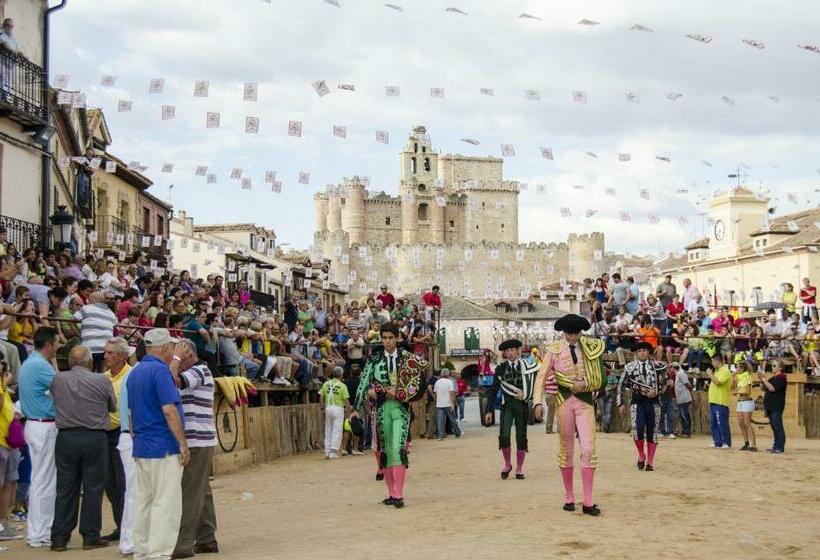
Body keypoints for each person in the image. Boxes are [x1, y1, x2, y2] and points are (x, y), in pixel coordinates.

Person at [126, 329, 190, 560]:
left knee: (143, 502)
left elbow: (131, 413)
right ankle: (159, 554)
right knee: (166, 503)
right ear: (164, 348)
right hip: (163, 446)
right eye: (171, 347)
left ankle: (142, 551)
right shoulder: (160, 371)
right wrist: (182, 443)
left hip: (143, 445)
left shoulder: (135, 372)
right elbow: (169, 410)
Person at [534, 314, 605, 516]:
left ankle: (588, 501)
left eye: (575, 334)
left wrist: (586, 384)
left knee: (588, 449)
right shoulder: (554, 349)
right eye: (569, 334)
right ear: (564, 333)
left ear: (580, 333)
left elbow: (600, 376)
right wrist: (537, 402)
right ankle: (569, 497)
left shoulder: (590, 347)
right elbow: (541, 376)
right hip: (564, 402)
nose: (572, 337)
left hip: (585, 402)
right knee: (566, 450)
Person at [49, 346, 117, 551]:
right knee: (93, 488)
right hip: (94, 437)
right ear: (90, 362)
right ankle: (90, 535)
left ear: (70, 362)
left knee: (65, 488)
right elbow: (112, 406)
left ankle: (59, 538)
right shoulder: (102, 380)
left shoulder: (58, 379)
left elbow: (54, 399)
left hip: (66, 437)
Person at [353, 322, 427, 508]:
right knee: (384, 450)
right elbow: (363, 382)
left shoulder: (407, 357)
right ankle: (392, 493)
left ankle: (399, 494)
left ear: (397, 338)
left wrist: (403, 393)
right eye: (384, 338)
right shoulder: (374, 358)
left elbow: (421, 382)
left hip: (401, 408)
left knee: (397, 449)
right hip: (382, 408)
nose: (387, 341)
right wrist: (355, 407)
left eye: (390, 338)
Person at [170, 339, 219, 558]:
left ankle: (182, 545)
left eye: (180, 357)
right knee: (201, 490)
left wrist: (175, 359)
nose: (176, 362)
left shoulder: (199, 371)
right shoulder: (199, 371)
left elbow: (173, 381)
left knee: (190, 493)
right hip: (200, 440)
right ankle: (207, 538)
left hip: (197, 441)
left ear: (189, 355)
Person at [18, 326, 60, 547]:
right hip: (43, 425)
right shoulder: (40, 365)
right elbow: (62, 386)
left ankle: (40, 531)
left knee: (41, 479)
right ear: (48, 344)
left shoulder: (31, 362)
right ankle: (39, 532)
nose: (58, 346)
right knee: (44, 480)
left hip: (36, 424)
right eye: (56, 342)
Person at [484, 339, 536, 479]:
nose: (510, 353)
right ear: (505, 354)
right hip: (507, 405)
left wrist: (527, 395)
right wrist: (488, 410)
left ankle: (519, 468)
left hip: (522, 405)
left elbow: (534, 384)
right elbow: (493, 390)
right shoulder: (501, 368)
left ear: (517, 351)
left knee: (521, 437)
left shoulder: (526, 366)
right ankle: (507, 464)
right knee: (504, 435)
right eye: (507, 351)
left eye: (512, 350)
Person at [101, 337, 131, 543]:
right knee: (110, 483)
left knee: (123, 482)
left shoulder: (131, 375)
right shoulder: (102, 378)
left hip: (123, 432)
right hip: (105, 434)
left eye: (111, 353)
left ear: (122, 355)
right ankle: (121, 525)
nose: (106, 356)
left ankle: (127, 527)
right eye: (106, 352)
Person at [617, 342, 665, 471]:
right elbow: (621, 385)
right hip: (637, 402)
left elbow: (664, 383)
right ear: (636, 353)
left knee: (652, 432)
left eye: (644, 350)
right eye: (639, 351)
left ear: (648, 352)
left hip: (654, 402)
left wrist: (657, 392)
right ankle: (641, 454)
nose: (642, 353)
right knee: (637, 430)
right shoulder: (630, 367)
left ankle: (650, 462)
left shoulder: (658, 366)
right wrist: (620, 403)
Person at [0, 356, 21, 541]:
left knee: (9, 484)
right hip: (0, 443)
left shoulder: (3, 387)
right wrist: (4, 385)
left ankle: (2, 523)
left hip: (9, 442)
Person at [74, 292, 118, 372]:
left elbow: (76, 317)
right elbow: (115, 323)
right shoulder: (111, 312)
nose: (88, 301)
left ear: (93, 300)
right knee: (102, 371)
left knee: (87, 371)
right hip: (105, 349)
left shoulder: (86, 308)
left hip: (89, 348)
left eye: (89, 299)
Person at [320, 366, 350, 459]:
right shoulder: (342, 386)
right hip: (338, 408)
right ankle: (333, 451)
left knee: (328, 429)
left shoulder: (326, 383)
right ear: (341, 375)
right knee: (337, 430)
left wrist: (322, 408)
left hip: (328, 407)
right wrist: (348, 414)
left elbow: (321, 397)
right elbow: (346, 401)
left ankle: (327, 451)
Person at [758, 361, 786, 454]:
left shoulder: (782, 378)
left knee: (778, 427)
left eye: (774, 365)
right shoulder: (772, 378)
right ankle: (775, 446)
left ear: (780, 368)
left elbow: (772, 388)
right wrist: (761, 380)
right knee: (774, 427)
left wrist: (764, 380)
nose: (772, 367)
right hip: (770, 405)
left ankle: (780, 447)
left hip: (776, 405)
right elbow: (763, 388)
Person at [706, 354, 733, 449]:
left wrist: (710, 374)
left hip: (720, 401)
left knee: (722, 423)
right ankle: (717, 441)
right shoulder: (717, 371)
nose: (712, 363)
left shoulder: (725, 370)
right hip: (713, 400)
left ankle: (726, 442)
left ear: (718, 361)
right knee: (713, 423)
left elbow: (718, 382)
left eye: (713, 361)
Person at [733, 361, 757, 452]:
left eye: (738, 367)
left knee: (747, 423)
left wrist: (737, 392)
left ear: (743, 369)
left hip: (747, 401)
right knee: (741, 423)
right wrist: (733, 377)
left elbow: (747, 391)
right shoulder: (739, 378)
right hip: (740, 401)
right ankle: (746, 443)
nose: (736, 369)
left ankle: (753, 445)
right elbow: (732, 387)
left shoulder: (747, 377)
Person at [434, 368, 462, 440]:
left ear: (441, 374)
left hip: (439, 404)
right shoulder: (449, 382)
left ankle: (441, 435)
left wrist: (437, 401)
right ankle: (457, 433)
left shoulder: (437, 382)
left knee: (440, 421)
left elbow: (435, 394)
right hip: (448, 403)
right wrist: (452, 404)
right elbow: (451, 394)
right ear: (448, 374)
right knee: (452, 419)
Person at [673, 362, 693, 438]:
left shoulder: (681, 374)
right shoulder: (678, 375)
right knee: (683, 415)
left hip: (684, 398)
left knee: (684, 415)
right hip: (681, 399)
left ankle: (687, 432)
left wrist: (690, 391)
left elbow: (688, 384)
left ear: (674, 368)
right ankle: (685, 431)